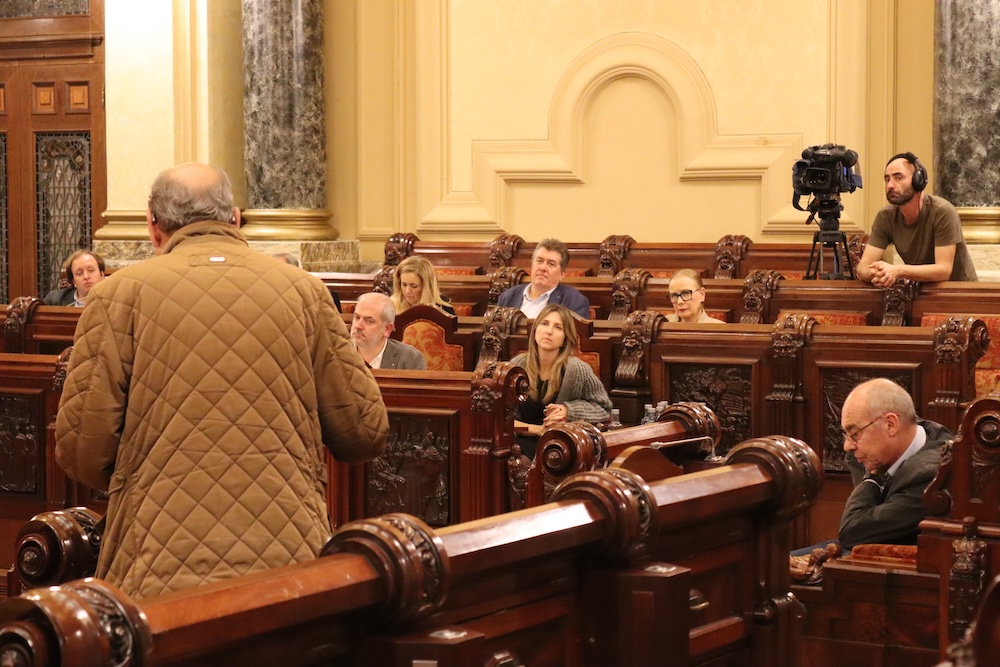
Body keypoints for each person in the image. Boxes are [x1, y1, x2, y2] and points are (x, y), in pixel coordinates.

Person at [54, 163, 389, 600]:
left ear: (154, 227)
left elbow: (80, 448)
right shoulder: (303, 291)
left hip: (155, 560)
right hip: (289, 558)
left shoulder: (118, 295)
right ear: (234, 218)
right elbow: (364, 432)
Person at [837, 378, 952, 551]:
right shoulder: (876, 450)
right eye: (846, 434)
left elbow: (852, 532)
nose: (848, 446)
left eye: (854, 434)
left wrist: (873, 476)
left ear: (890, 424)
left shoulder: (932, 474)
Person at [856, 152, 977, 286]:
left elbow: (944, 270)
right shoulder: (885, 216)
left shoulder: (942, 211)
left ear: (918, 181)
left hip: (958, 291)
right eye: (887, 179)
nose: (890, 185)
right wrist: (877, 273)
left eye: (898, 178)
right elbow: (863, 267)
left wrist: (898, 270)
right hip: (922, 291)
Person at [510, 304, 612, 458]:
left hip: (560, 446)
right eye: (544, 324)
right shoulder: (517, 365)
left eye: (558, 327)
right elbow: (501, 417)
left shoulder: (577, 369)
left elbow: (604, 409)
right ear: (535, 330)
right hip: (520, 441)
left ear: (565, 337)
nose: (548, 331)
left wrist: (569, 410)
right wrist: (536, 430)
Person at [496, 238, 590, 319]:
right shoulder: (508, 297)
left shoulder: (574, 301)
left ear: (562, 274)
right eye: (539, 261)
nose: (542, 268)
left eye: (551, 264)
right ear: (532, 265)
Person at [351, 291, 427, 370]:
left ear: (387, 329)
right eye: (357, 318)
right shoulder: (338, 354)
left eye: (369, 321)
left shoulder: (410, 359)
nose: (358, 326)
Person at [390, 256, 455, 315]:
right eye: (404, 285)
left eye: (414, 286)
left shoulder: (442, 308)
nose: (407, 291)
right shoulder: (390, 306)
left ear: (426, 286)